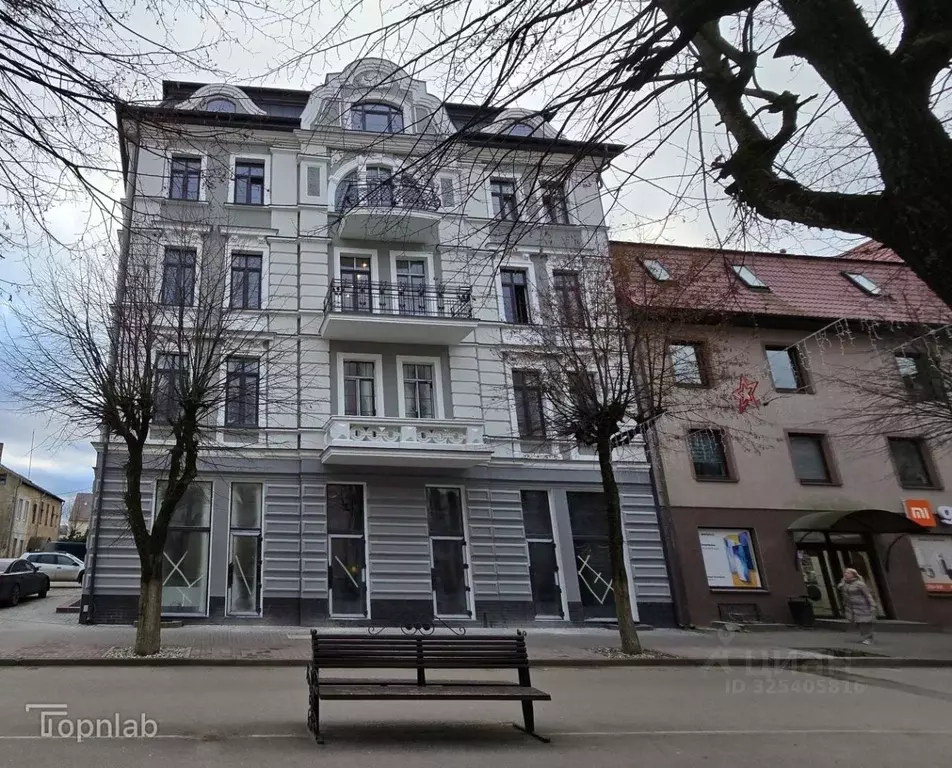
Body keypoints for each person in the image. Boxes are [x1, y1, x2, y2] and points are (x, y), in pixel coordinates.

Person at [838, 568, 876, 644]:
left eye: (848, 573)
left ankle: (869, 638)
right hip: (851, 606)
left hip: (862, 606)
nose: (846, 574)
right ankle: (867, 635)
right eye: (845, 573)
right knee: (857, 622)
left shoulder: (859, 584)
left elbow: (867, 595)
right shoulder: (845, 583)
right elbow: (841, 590)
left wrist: (872, 605)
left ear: (853, 575)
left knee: (864, 622)